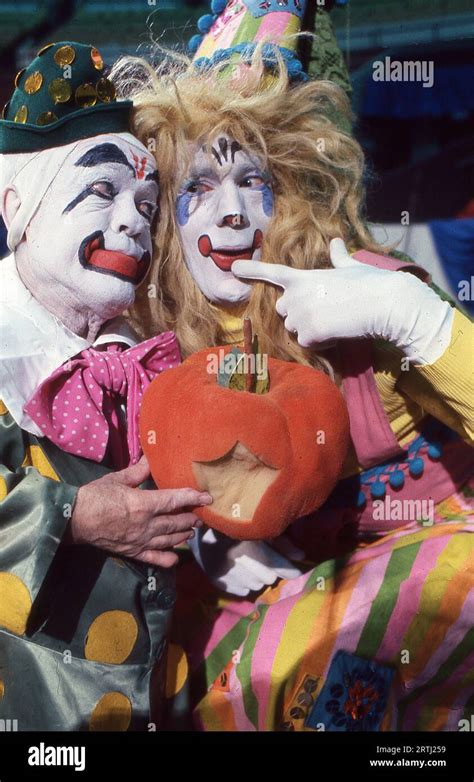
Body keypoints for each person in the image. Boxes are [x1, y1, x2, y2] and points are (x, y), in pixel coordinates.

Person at [113, 0, 474, 732]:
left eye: (253, 180)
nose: (233, 212)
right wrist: (206, 535)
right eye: (199, 187)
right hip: (272, 590)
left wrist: (413, 319)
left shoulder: (367, 283)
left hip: (423, 563)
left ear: (296, 190)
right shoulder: (153, 329)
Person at [0, 41, 214, 731]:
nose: (133, 221)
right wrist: (70, 514)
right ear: (17, 205)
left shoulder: (153, 361)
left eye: (146, 203)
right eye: (102, 190)